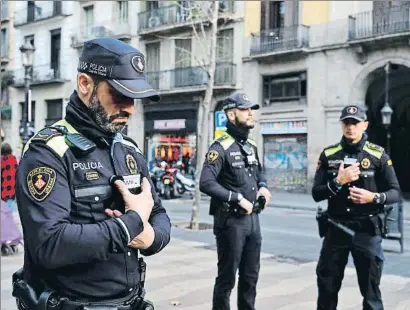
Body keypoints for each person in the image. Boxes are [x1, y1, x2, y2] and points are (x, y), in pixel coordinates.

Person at [13, 38, 171, 310]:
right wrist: (130, 224)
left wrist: (151, 239)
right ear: (85, 84)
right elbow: (50, 245)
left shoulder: (128, 150)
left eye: (134, 98)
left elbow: (157, 213)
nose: (130, 108)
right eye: (120, 95)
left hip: (130, 302)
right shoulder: (48, 152)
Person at [312, 105, 402, 310]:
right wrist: (337, 181)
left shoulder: (378, 155)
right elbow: (316, 193)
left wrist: (374, 197)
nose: (350, 127)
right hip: (335, 228)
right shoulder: (329, 154)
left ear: (365, 125)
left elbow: (395, 192)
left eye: (355, 122)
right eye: (346, 122)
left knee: (371, 293)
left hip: (367, 230)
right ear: (342, 125)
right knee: (326, 288)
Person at [199, 92, 272, 310]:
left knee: (250, 277)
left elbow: (260, 173)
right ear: (232, 115)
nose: (251, 114)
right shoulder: (220, 147)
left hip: (253, 221)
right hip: (230, 221)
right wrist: (237, 198)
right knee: (227, 279)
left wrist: (264, 187)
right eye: (245, 109)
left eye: (251, 109)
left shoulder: (251, 145)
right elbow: (206, 183)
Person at [1, 142, 18, 212]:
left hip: (3, 186)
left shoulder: (1, 159)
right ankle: (11, 213)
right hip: (12, 185)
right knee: (10, 204)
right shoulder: (13, 158)